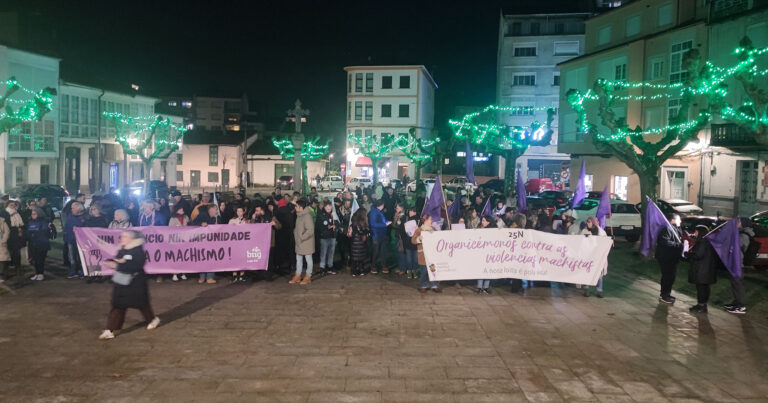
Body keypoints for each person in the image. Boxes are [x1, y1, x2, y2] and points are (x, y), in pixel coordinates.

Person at [98, 230, 160, 340]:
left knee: (142, 304)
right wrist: (113, 262)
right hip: (121, 281)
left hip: (136, 282)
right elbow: (118, 261)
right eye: (122, 236)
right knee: (118, 305)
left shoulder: (138, 251)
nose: (122, 238)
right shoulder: (122, 249)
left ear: (132, 239)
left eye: (125, 236)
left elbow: (136, 265)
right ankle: (110, 330)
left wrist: (119, 265)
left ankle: (152, 319)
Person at [687, 225, 718, 314]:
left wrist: (687, 254)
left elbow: (698, 255)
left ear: (700, 232)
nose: (695, 233)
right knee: (704, 288)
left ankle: (701, 306)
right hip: (706, 269)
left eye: (696, 231)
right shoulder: (707, 241)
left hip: (702, 270)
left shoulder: (703, 242)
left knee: (701, 288)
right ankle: (701, 305)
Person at [726, 218, 752, 314]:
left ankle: (741, 306)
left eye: (739, 221)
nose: (738, 223)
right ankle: (736, 303)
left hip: (738, 264)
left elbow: (737, 245)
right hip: (734, 262)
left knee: (738, 285)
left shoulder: (744, 235)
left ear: (743, 223)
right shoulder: (740, 233)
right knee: (735, 284)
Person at [656, 213, 683, 304]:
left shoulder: (676, 228)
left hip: (673, 257)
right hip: (666, 257)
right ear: (673, 220)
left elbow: (679, 239)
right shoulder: (667, 228)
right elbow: (665, 242)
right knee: (667, 276)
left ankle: (667, 293)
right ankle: (664, 295)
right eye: (678, 219)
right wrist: (678, 245)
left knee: (671, 277)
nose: (680, 221)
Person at [192, 205, 223, 283]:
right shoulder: (202, 215)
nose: (217, 211)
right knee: (202, 258)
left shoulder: (217, 218)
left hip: (212, 243)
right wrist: (201, 223)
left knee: (212, 258)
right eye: (216, 209)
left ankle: (209, 277)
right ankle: (202, 277)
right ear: (210, 209)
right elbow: (192, 223)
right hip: (202, 242)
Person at [252, 203, 281, 281]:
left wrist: (274, 224)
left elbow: (279, 226)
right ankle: (260, 275)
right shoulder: (256, 218)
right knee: (259, 259)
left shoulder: (271, 217)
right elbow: (251, 228)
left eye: (257, 210)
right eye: (255, 210)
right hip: (259, 243)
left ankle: (268, 275)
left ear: (262, 210)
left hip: (269, 243)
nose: (256, 212)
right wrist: (253, 219)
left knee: (269, 260)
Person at [412, 214, 440, 293]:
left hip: (432, 255)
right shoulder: (419, 230)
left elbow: (439, 238)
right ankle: (423, 285)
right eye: (430, 219)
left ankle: (434, 285)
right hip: (423, 255)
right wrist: (419, 238)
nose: (432, 221)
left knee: (433, 270)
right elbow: (413, 240)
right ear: (426, 220)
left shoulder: (433, 229)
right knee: (424, 271)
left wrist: (434, 234)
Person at [580, 217, 608, 298]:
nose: (588, 223)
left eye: (589, 222)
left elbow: (605, 243)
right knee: (587, 272)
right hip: (588, 256)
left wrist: (610, 240)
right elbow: (580, 242)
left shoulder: (601, 232)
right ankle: (586, 289)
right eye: (587, 222)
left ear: (593, 223)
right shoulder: (584, 231)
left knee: (598, 274)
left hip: (598, 256)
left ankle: (599, 291)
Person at [289, 199, 315, 285]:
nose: (295, 207)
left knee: (308, 259)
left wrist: (301, 237)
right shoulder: (299, 215)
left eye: (296, 206)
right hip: (299, 242)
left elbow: (310, 230)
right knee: (298, 259)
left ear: (301, 207)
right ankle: (298, 275)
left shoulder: (307, 216)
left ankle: (308, 276)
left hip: (306, 242)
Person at [64, 202, 87, 279]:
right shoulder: (70, 216)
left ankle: (81, 270)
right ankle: (73, 270)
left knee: (81, 256)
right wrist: (66, 237)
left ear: (78, 209)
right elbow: (66, 227)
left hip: (81, 241)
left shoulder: (85, 217)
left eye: (73, 208)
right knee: (72, 257)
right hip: (71, 240)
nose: (71, 209)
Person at [26, 209, 50, 281]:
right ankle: (37, 273)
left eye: (34, 214)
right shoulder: (30, 222)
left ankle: (41, 274)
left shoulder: (43, 222)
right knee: (35, 260)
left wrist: (34, 233)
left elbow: (44, 231)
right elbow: (28, 232)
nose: (32, 215)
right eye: (32, 214)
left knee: (40, 260)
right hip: (33, 244)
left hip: (41, 244)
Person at [475, 215, 497, 294]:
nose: (482, 222)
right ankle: (479, 287)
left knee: (488, 270)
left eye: (484, 221)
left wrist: (500, 230)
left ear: (488, 222)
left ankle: (486, 287)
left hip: (490, 253)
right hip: (481, 253)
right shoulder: (479, 228)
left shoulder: (493, 230)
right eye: (482, 220)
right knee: (480, 269)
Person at [316, 202, 338, 275]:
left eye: (330, 207)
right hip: (324, 237)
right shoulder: (320, 215)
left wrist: (335, 226)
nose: (329, 208)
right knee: (323, 252)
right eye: (327, 207)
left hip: (332, 236)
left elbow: (337, 223)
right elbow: (318, 226)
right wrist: (326, 227)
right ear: (324, 207)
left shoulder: (333, 214)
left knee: (331, 252)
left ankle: (330, 266)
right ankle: (322, 267)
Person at [368, 199, 390, 274]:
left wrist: (386, 221)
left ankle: (384, 265)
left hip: (383, 234)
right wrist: (385, 224)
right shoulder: (373, 212)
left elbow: (380, 220)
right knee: (376, 251)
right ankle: (373, 266)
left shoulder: (380, 211)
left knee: (383, 251)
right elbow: (373, 224)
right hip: (376, 234)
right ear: (381, 205)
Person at [167, 206, 189, 281]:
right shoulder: (172, 219)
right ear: (176, 210)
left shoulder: (186, 217)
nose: (182, 210)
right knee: (176, 257)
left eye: (182, 209)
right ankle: (175, 273)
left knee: (184, 257)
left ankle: (183, 273)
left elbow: (190, 228)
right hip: (175, 241)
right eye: (180, 209)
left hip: (185, 240)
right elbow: (169, 229)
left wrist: (185, 225)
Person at [228, 207, 249, 282]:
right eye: (238, 211)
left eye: (240, 211)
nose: (239, 212)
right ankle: (234, 275)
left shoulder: (247, 221)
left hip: (243, 243)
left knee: (243, 258)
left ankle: (242, 275)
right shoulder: (232, 220)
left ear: (243, 212)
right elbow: (227, 230)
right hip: (234, 243)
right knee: (234, 258)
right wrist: (231, 227)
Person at [348, 208, 370, 277]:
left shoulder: (356, 220)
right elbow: (360, 231)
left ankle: (358, 270)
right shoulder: (357, 221)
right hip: (357, 241)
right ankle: (356, 271)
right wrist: (367, 231)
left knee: (359, 257)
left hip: (357, 241)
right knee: (357, 257)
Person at [6, 201, 25, 271]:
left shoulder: (16, 212)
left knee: (17, 248)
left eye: (14, 205)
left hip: (16, 231)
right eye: (11, 205)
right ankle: (11, 263)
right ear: (8, 205)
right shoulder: (6, 212)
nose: (13, 206)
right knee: (11, 248)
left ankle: (17, 263)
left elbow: (20, 223)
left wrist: (20, 230)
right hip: (10, 231)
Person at [0, 217, 10, 283]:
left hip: (1, 244)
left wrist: (4, 240)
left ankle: (2, 275)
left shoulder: (2, 221)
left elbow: (7, 231)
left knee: (2, 260)